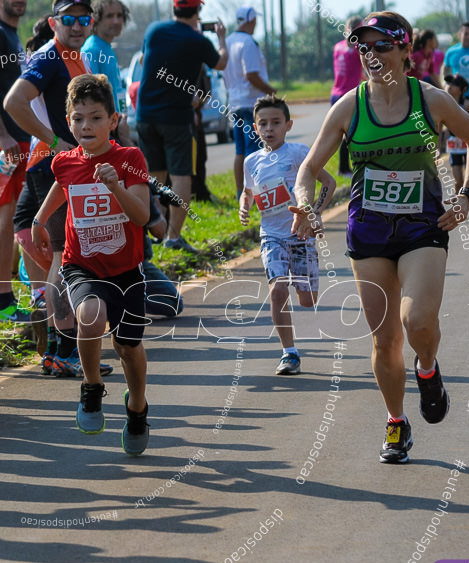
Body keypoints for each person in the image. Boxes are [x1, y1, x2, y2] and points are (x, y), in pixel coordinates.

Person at [292, 11, 469, 464]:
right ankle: (396, 422)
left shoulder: (430, 100)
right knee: (383, 341)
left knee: (417, 323)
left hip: (424, 227)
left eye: (382, 46)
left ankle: (428, 367)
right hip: (370, 231)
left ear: (405, 51)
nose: (372, 54)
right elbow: (309, 167)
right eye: (364, 46)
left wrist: (466, 196)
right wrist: (304, 201)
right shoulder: (348, 107)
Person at [31, 73, 160, 455]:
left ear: (113, 120)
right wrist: (40, 219)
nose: (86, 126)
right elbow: (63, 184)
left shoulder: (129, 159)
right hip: (81, 264)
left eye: (95, 118)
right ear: (68, 120)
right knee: (90, 314)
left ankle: (137, 407)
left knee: (128, 348)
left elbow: (140, 217)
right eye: (78, 118)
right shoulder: (64, 162)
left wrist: (115, 186)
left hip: (126, 271)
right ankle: (91, 387)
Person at [4, 0, 94, 375]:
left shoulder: (75, 56)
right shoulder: (49, 57)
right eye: (69, 19)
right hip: (53, 167)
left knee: (38, 238)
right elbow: (13, 101)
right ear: (54, 22)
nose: (77, 25)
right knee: (65, 256)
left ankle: (57, 347)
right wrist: (55, 141)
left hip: (51, 168)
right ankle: (63, 350)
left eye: (83, 19)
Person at [239, 95, 335, 376]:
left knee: (308, 300)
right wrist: (244, 207)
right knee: (277, 288)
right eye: (263, 124)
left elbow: (328, 181)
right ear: (255, 128)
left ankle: (299, 282)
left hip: (301, 236)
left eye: (276, 123)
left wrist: (315, 212)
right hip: (271, 235)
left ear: (288, 125)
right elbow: (247, 193)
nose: (269, 129)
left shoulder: (298, 152)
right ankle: (289, 353)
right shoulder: (251, 161)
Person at [135, 0, 227, 251]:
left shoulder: (154, 30)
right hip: (176, 119)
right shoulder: (198, 41)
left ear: (174, 8)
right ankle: (173, 238)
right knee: (181, 176)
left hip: (145, 115)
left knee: (154, 176)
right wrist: (221, 38)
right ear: (198, 11)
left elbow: (145, 61)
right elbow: (221, 63)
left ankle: (153, 231)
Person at [0, 0, 33, 324]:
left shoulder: (12, 34)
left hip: (22, 141)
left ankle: (17, 293)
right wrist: (0, 134)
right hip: (4, 143)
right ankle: (2, 302)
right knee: (7, 218)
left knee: (20, 217)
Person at [225, 6, 275, 200]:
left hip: (235, 103)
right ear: (251, 21)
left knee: (240, 151)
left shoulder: (228, 41)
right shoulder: (248, 42)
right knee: (254, 152)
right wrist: (271, 91)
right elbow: (251, 74)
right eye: (255, 21)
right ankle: (256, 195)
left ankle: (241, 193)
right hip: (251, 103)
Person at [81, 0, 129, 143]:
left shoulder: (106, 47)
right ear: (96, 19)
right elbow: (91, 96)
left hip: (116, 125)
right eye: (109, 16)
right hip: (106, 131)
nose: (116, 21)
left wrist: (123, 115)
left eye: (119, 15)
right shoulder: (91, 49)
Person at [442, 74, 469, 191]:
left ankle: (464, 203)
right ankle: (457, 207)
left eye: (455, 84)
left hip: (468, 145)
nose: (450, 86)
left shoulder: (467, 105)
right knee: (458, 181)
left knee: (468, 183)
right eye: (449, 83)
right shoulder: (444, 105)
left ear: (463, 90)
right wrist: (437, 145)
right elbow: (439, 126)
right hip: (453, 146)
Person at [330, 16, 362, 175]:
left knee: (341, 133)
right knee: (352, 133)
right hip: (349, 95)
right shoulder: (357, 49)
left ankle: (344, 168)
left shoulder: (337, 47)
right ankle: (345, 168)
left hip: (335, 93)